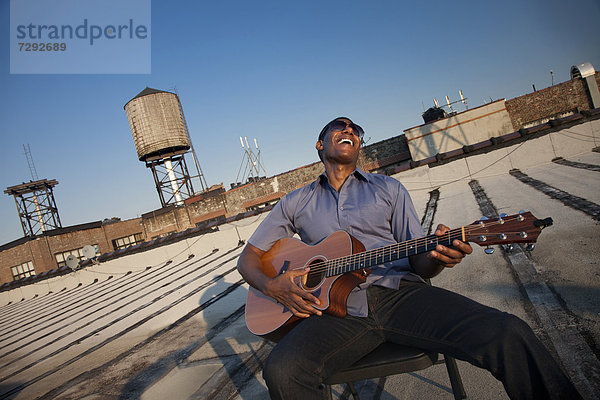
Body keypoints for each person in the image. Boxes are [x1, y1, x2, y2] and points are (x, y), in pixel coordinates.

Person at [236, 117, 581, 399]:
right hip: (334, 313)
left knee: (509, 331)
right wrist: (273, 285)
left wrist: (439, 257)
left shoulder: (388, 189)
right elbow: (248, 259)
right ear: (320, 144)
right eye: (340, 127)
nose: (350, 131)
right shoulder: (296, 202)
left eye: (356, 130)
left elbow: (419, 259)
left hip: (401, 295)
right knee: (281, 370)